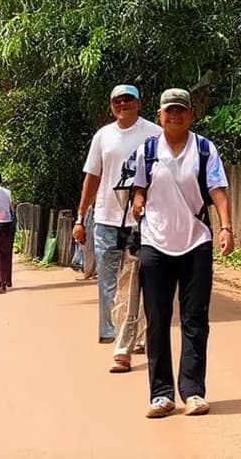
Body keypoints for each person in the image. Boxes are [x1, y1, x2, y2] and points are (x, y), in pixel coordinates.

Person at [129, 88, 234, 418]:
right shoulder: (147, 150)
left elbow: (217, 189)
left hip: (196, 242)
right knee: (157, 320)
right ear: (160, 116)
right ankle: (161, 395)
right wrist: (138, 200)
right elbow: (138, 187)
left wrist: (226, 227)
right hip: (155, 243)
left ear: (191, 115)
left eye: (180, 110)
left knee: (194, 320)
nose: (174, 115)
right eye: (169, 111)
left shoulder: (204, 149)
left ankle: (193, 392)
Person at [72, 84, 159, 373]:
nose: (123, 105)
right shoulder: (103, 136)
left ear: (138, 103)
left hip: (142, 222)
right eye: (117, 101)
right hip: (106, 220)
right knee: (109, 284)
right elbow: (92, 177)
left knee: (139, 282)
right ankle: (118, 333)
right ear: (111, 106)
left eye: (128, 100)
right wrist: (80, 217)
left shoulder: (154, 134)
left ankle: (133, 339)